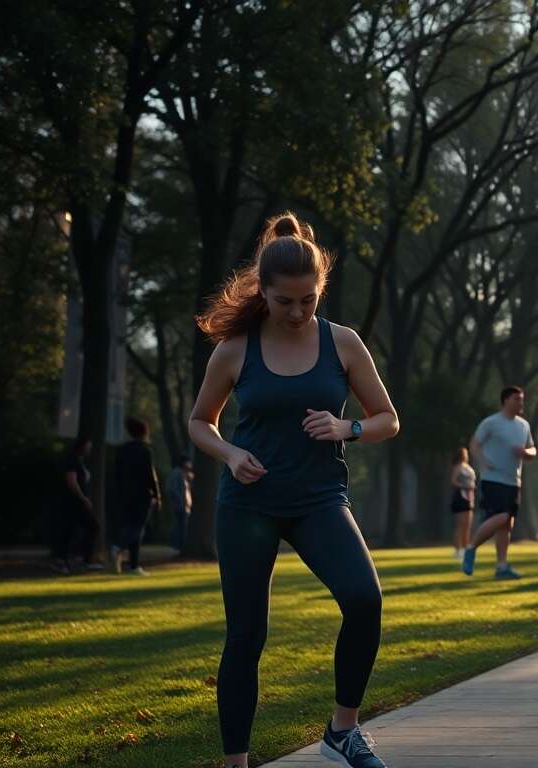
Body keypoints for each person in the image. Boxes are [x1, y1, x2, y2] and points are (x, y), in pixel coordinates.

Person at [189, 212, 399, 768]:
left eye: (309, 299)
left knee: (364, 600)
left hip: (318, 501)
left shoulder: (343, 343)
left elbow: (386, 419)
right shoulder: (235, 349)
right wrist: (231, 454)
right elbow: (199, 423)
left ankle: (342, 731)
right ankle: (236, 761)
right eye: (287, 302)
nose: (299, 311)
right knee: (247, 636)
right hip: (249, 505)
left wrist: (346, 427)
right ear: (265, 291)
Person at [462, 386, 537, 580]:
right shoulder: (491, 423)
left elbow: (532, 449)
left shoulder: (523, 425)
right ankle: (471, 548)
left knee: (507, 524)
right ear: (505, 401)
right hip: (493, 479)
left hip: (514, 481)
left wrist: (526, 453)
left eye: (522, 399)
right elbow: (475, 443)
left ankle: (501, 566)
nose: (520, 403)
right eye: (516, 399)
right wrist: (483, 462)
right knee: (502, 516)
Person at [112, 417, 162, 575]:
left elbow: (117, 474)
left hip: (125, 495)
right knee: (137, 527)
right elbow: (150, 475)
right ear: (144, 432)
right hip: (142, 495)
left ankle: (133, 565)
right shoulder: (145, 450)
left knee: (129, 525)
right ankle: (118, 547)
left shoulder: (122, 450)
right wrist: (157, 494)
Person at [49, 437, 102, 574]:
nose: (90, 449)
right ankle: (80, 560)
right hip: (74, 502)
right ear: (82, 446)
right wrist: (83, 498)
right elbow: (72, 482)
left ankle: (65, 559)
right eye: (88, 446)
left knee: (70, 530)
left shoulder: (79, 461)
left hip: (76, 502)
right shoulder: (72, 461)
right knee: (92, 527)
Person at [450, 447, 477, 558]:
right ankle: (457, 550)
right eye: (463, 453)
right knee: (460, 525)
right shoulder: (458, 467)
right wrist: (465, 486)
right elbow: (453, 481)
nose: (465, 455)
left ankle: (466, 549)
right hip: (461, 497)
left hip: (469, 498)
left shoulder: (469, 467)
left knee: (468, 525)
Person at [166, 454, 195, 555]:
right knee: (180, 526)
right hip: (179, 506)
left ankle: (179, 545)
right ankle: (177, 545)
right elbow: (172, 489)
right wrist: (179, 500)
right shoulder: (177, 473)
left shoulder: (186, 474)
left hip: (186, 506)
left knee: (182, 526)